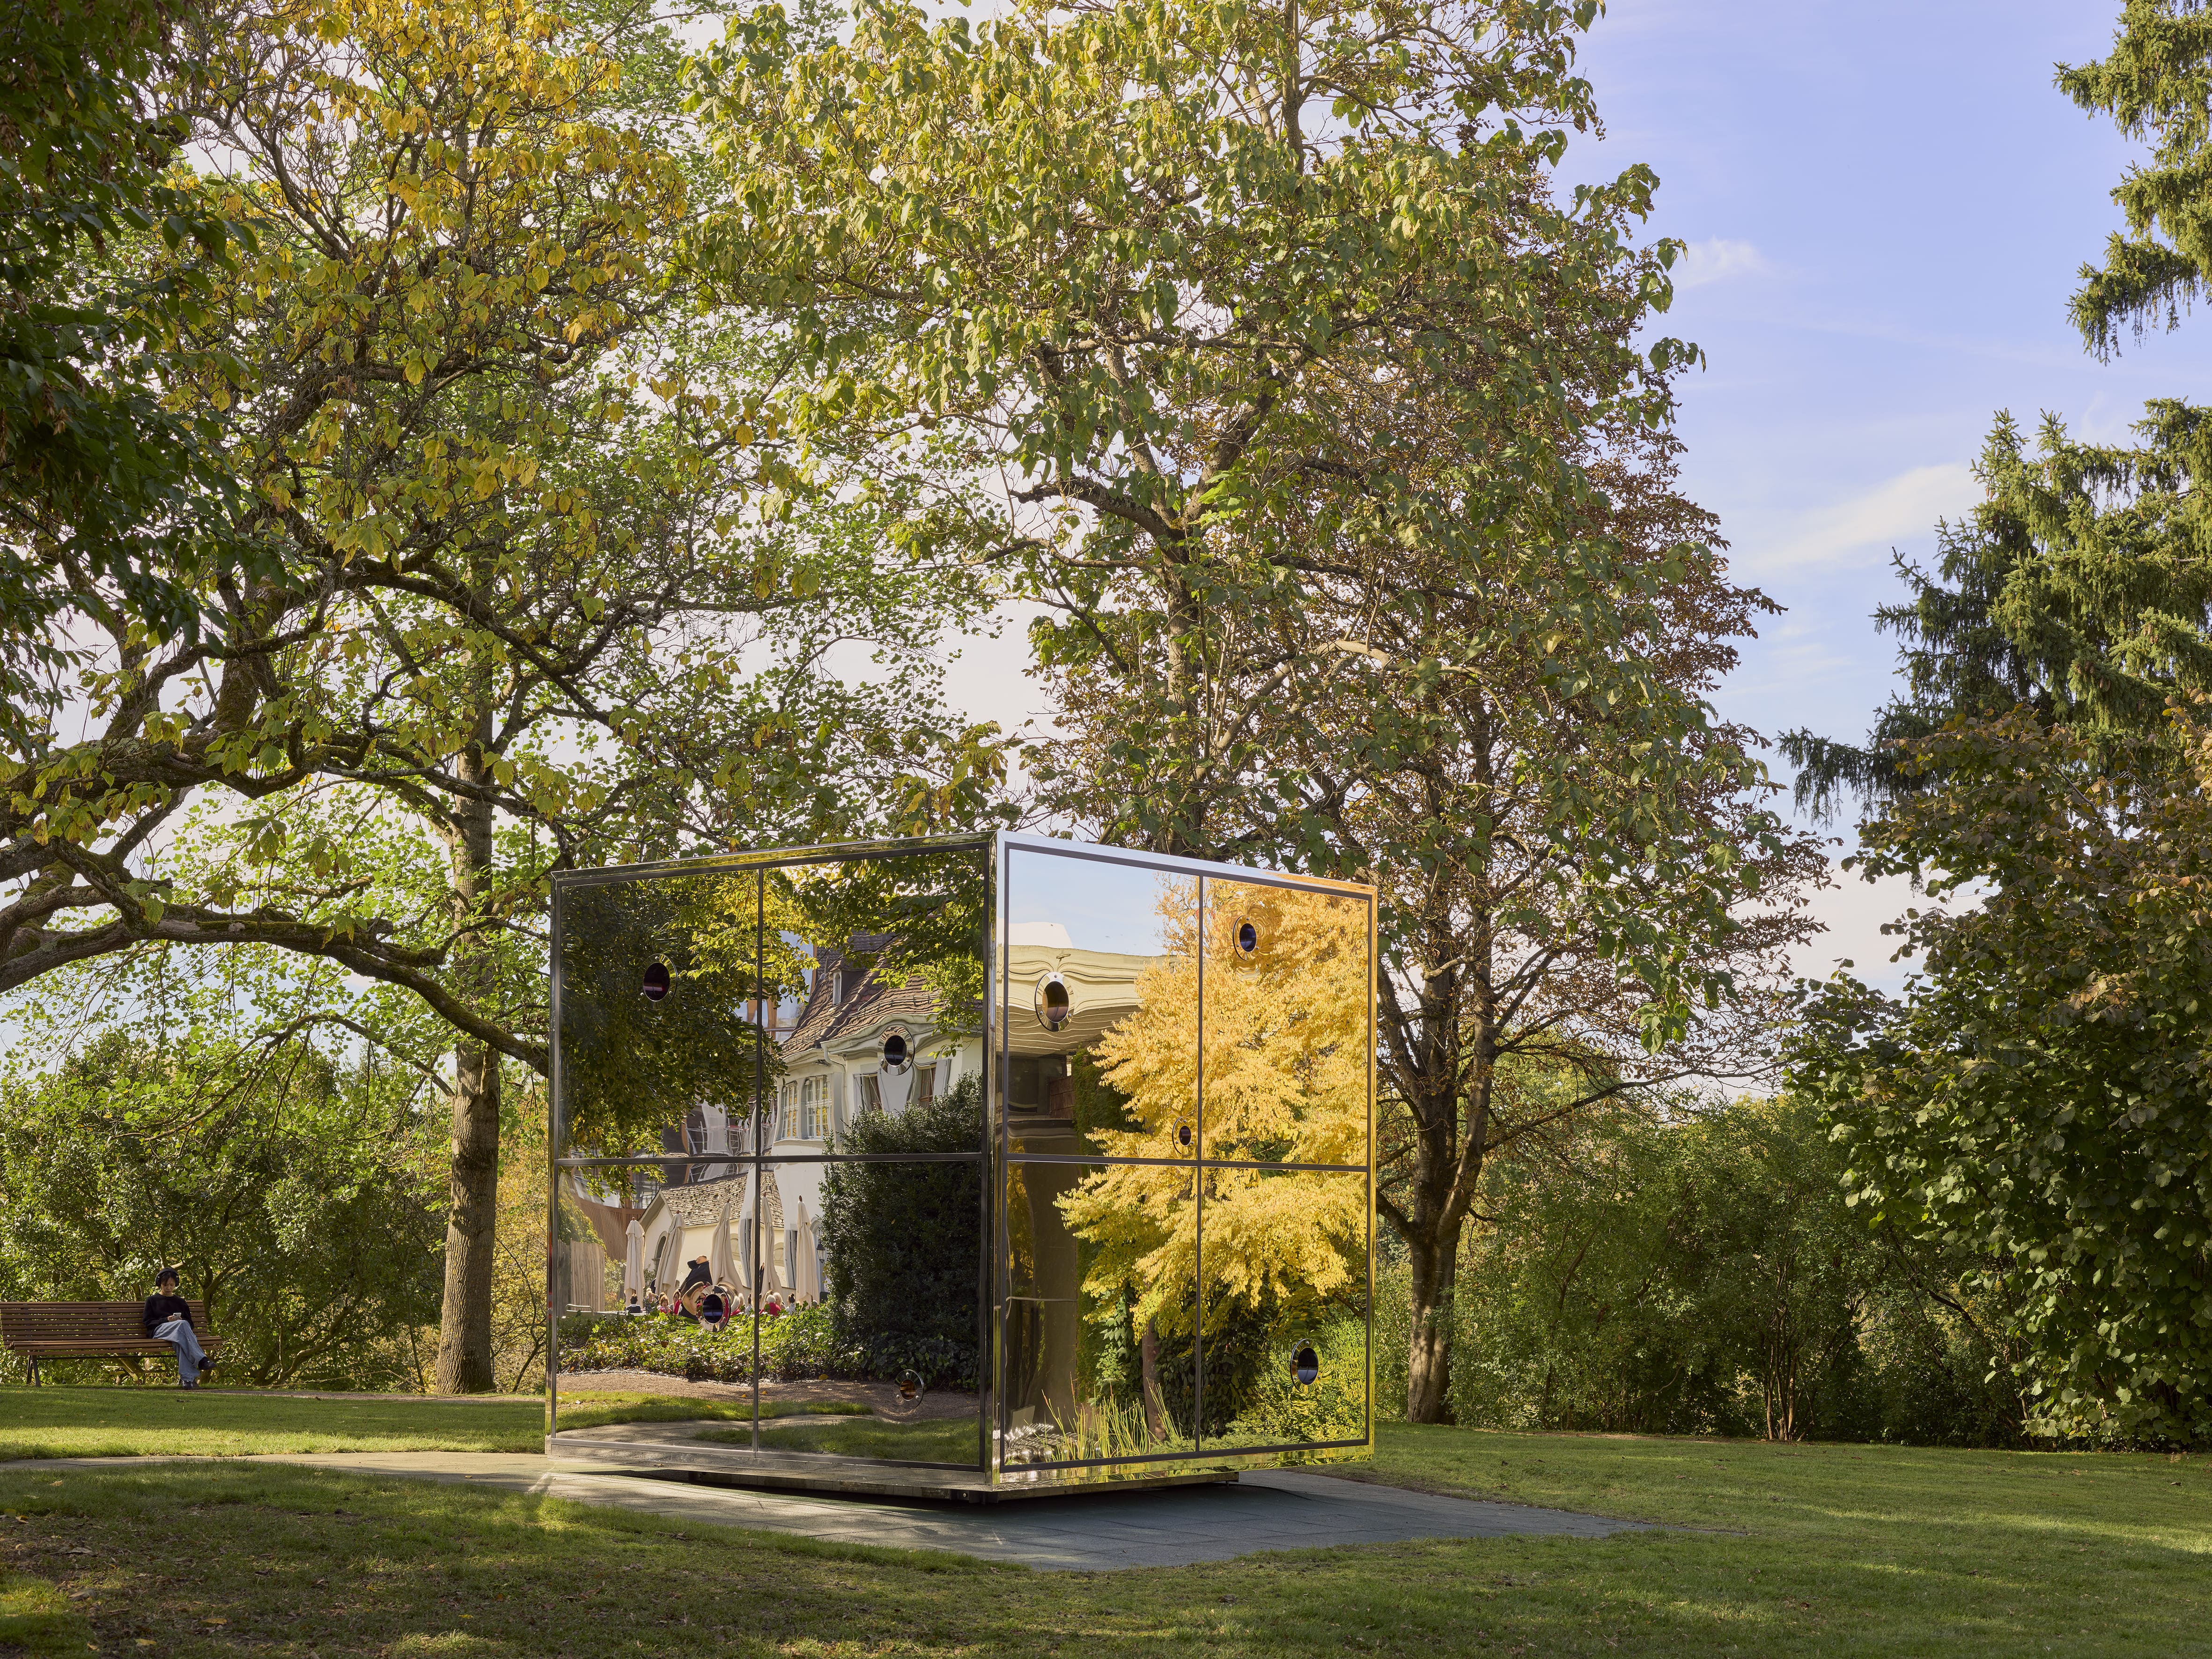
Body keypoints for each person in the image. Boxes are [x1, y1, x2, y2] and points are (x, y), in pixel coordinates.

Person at [142, 1268, 212, 1388]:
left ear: (176, 1284)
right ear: (160, 1283)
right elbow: (148, 1323)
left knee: (181, 1334)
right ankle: (201, 1359)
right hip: (159, 1331)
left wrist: (180, 1321)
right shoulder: (152, 1300)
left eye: (172, 1285)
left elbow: (190, 1324)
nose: (169, 1288)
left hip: (179, 1333)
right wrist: (166, 1320)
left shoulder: (181, 1302)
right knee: (182, 1326)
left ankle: (187, 1381)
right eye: (166, 1285)